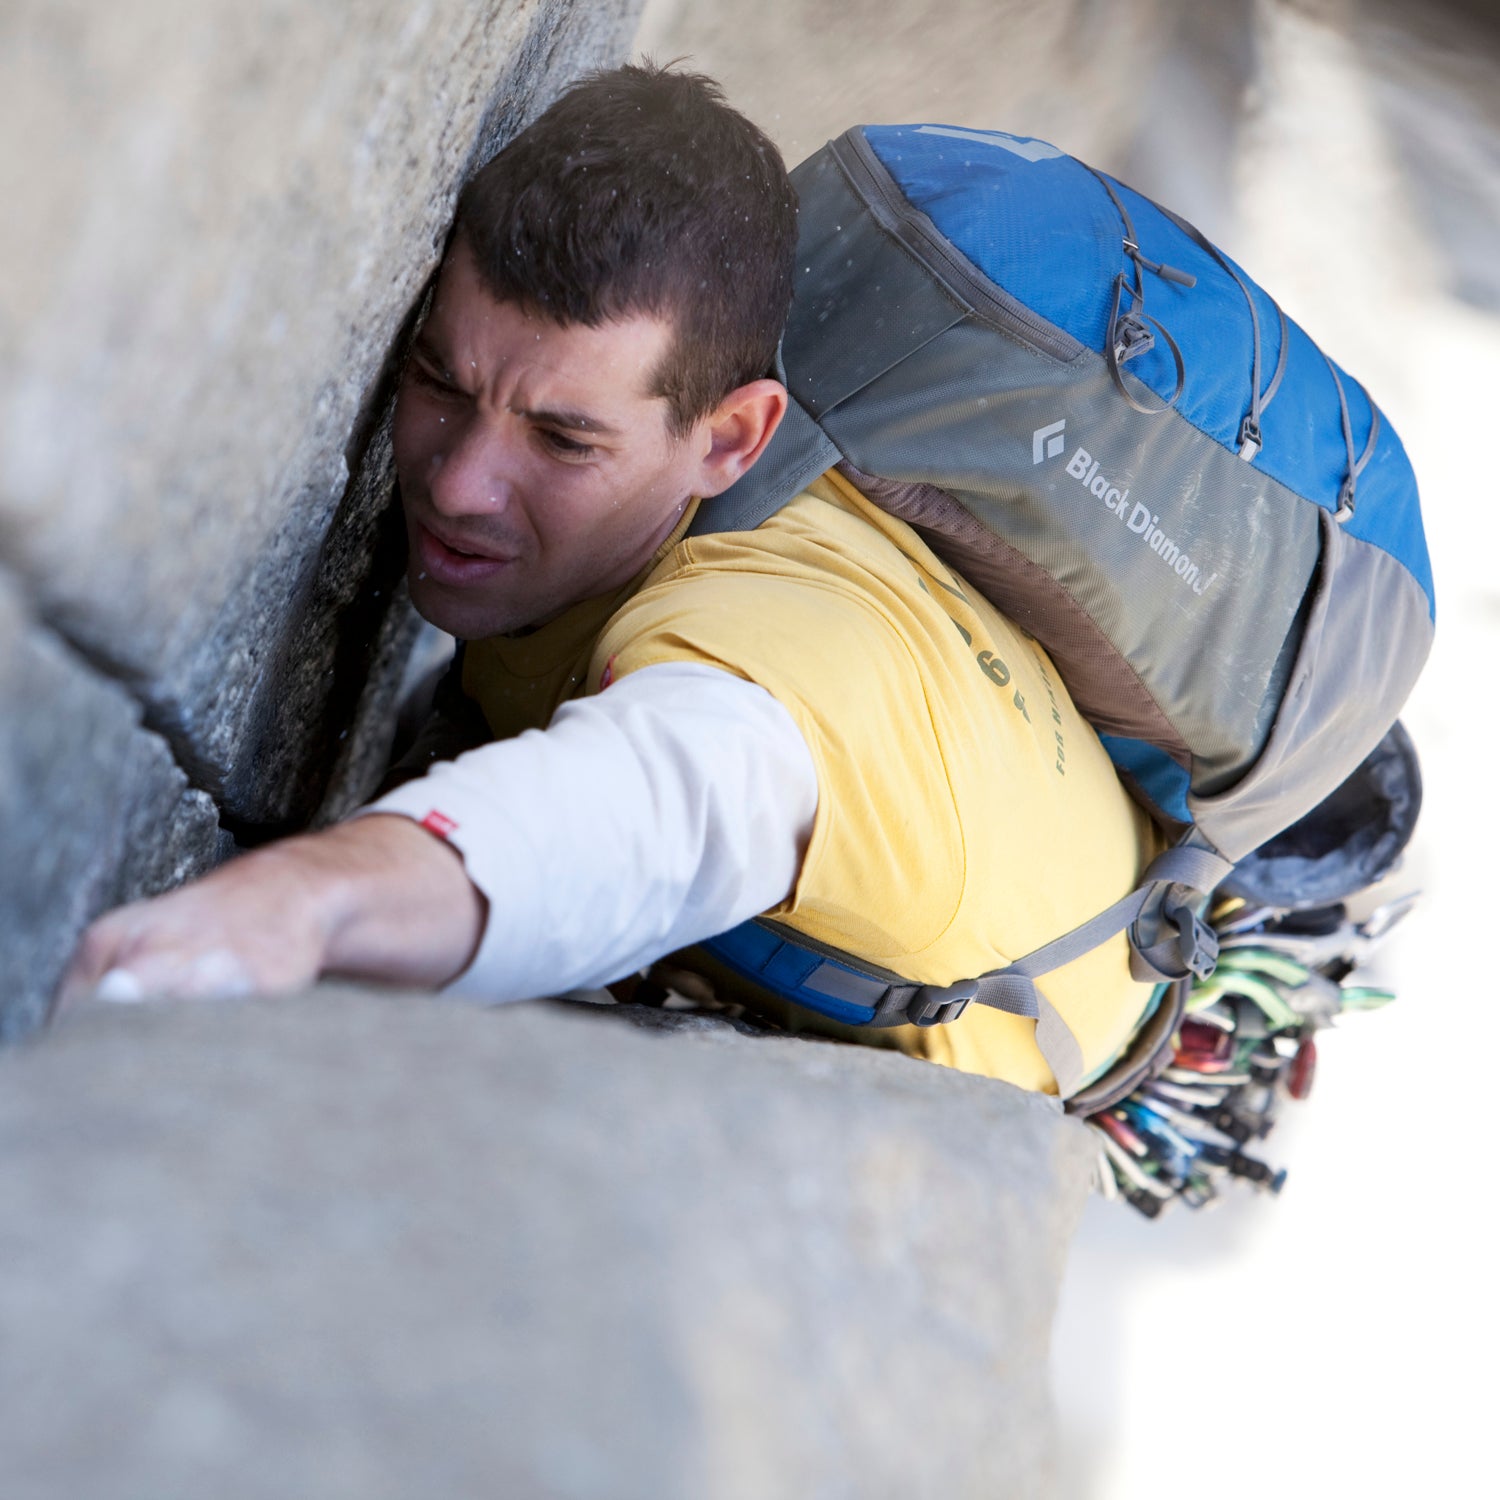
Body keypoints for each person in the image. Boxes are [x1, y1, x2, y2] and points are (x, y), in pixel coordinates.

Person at [57, 62, 1162, 1096]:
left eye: (562, 440)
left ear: (732, 438)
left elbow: (638, 817)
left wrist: (306, 899)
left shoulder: (766, 676)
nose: (458, 484)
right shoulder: (686, 501)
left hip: (1058, 1031)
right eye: (440, 380)